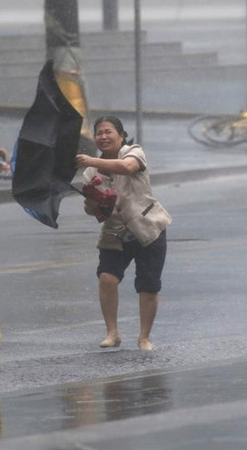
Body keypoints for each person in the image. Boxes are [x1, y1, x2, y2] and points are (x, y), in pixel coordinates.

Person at [76, 116, 171, 351]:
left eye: (109, 132)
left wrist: (90, 160)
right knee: (107, 278)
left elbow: (126, 168)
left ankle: (144, 338)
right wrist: (92, 199)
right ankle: (112, 333)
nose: (104, 136)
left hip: (147, 227)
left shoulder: (134, 152)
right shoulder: (90, 172)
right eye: (99, 133)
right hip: (115, 230)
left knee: (148, 286)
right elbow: (92, 211)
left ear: (121, 135)